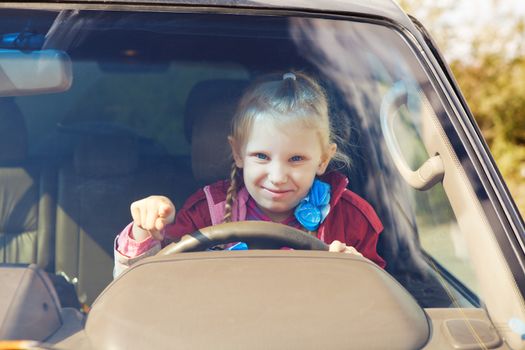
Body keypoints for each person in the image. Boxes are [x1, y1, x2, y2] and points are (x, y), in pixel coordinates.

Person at [114, 71, 385, 277]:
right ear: (238, 153)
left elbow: (379, 309)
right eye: (262, 157)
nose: (277, 176)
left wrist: (356, 273)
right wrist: (144, 230)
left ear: (323, 159)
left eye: (296, 159)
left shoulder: (352, 220)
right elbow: (146, 287)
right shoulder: (206, 213)